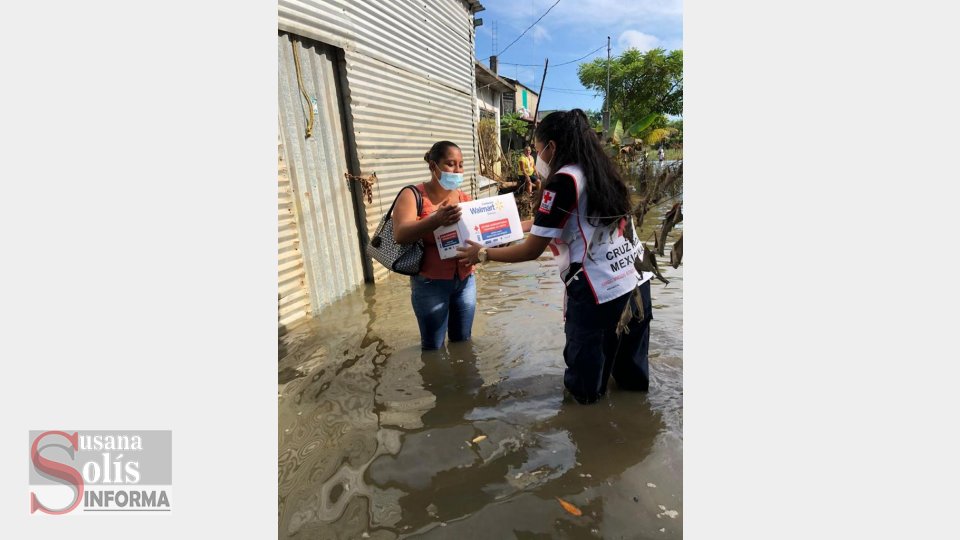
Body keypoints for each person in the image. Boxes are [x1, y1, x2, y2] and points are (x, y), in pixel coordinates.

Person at [456, 110, 654, 404]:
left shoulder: (564, 180)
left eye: (537, 150)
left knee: (584, 390)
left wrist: (483, 254)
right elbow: (557, 223)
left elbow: (532, 249)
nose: (537, 158)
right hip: (637, 283)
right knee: (632, 376)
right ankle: (635, 432)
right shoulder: (602, 172)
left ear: (552, 147)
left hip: (599, 295)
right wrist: (508, 227)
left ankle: (588, 438)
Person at [392, 141, 476, 350]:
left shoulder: (463, 198)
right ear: (433, 166)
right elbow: (400, 234)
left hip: (465, 281)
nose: (457, 170)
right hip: (430, 284)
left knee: (462, 342)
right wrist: (436, 219)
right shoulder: (413, 195)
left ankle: (462, 381)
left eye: (461, 165)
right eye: (450, 164)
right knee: (432, 348)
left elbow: (476, 233)